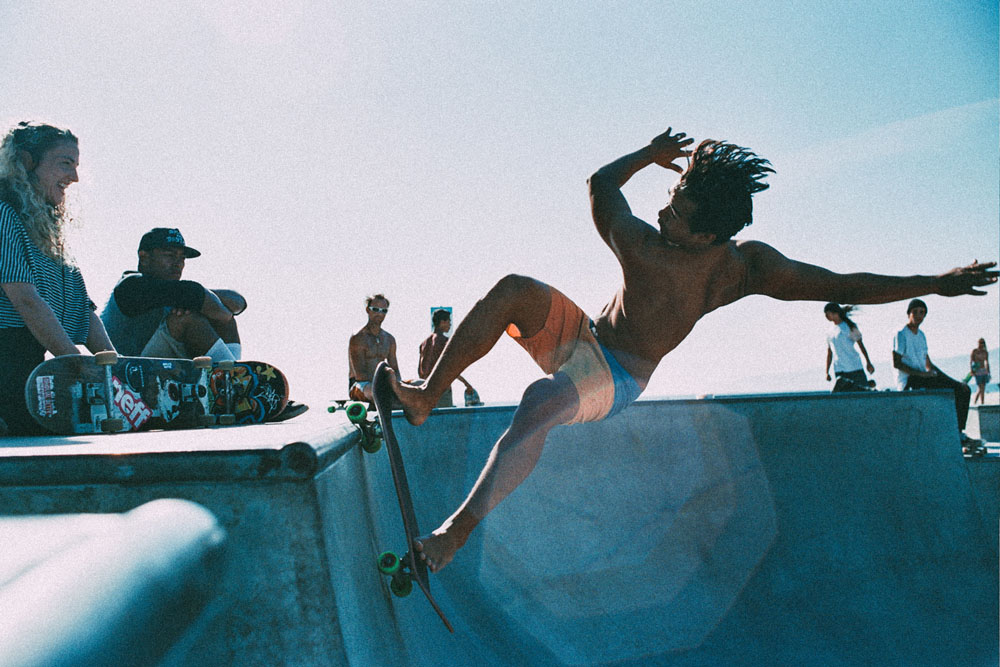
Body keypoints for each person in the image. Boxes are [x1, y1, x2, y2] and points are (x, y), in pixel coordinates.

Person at [384, 127, 998, 573]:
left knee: (540, 400)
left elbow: (842, 284)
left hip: (619, 377)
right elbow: (600, 183)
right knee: (515, 288)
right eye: (668, 197)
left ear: (708, 234)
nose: (661, 211)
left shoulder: (742, 269)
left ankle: (454, 534)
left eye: (676, 211)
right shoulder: (642, 242)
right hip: (582, 339)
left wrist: (933, 283)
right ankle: (424, 397)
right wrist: (649, 155)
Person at [100, 228, 307, 421]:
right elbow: (194, 292)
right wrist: (219, 310)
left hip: (160, 372)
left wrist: (220, 311)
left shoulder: (171, 291)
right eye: (169, 255)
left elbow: (238, 301)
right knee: (188, 319)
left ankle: (241, 390)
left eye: (182, 258)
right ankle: (237, 393)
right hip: (127, 381)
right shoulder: (131, 286)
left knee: (211, 313)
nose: (178, 264)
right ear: (144, 257)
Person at [0, 121, 116, 435]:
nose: (74, 177)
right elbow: (25, 299)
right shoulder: (4, 215)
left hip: (34, 362)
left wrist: (115, 370)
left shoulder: (48, 231)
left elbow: (84, 311)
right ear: (27, 162)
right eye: (65, 164)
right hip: (7, 357)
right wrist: (75, 362)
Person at [892, 299, 977, 448]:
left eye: (922, 313)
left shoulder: (921, 336)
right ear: (909, 313)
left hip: (922, 377)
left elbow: (929, 365)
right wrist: (922, 374)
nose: (918, 315)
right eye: (915, 312)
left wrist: (956, 383)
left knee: (963, 390)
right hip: (909, 380)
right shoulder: (901, 333)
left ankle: (958, 432)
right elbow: (897, 363)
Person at [418, 308, 479, 407]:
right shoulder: (444, 342)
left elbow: (420, 371)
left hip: (425, 389)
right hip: (441, 389)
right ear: (442, 322)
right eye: (449, 321)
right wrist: (466, 384)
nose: (450, 325)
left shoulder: (424, 344)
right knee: (444, 415)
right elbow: (451, 368)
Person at [348, 294, 400, 402]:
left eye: (384, 311)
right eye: (375, 309)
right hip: (361, 385)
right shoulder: (358, 337)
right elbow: (360, 375)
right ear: (368, 310)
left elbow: (395, 369)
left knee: (419, 384)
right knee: (377, 392)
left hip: (383, 384)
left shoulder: (389, 339)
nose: (379, 314)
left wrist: (399, 386)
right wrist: (387, 386)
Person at [823, 302, 875, 391]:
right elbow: (830, 352)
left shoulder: (849, 326)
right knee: (843, 395)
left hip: (854, 367)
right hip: (839, 369)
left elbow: (861, 345)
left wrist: (868, 362)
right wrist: (827, 372)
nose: (826, 316)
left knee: (862, 393)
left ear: (835, 313)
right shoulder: (829, 331)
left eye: (828, 314)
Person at [970, 338, 991, 406]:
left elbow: (987, 362)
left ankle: (977, 402)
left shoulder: (985, 352)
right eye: (980, 342)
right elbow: (971, 362)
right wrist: (972, 371)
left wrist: (989, 372)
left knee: (982, 388)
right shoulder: (975, 351)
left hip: (984, 371)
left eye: (982, 343)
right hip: (977, 371)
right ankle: (981, 403)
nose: (981, 344)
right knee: (981, 387)